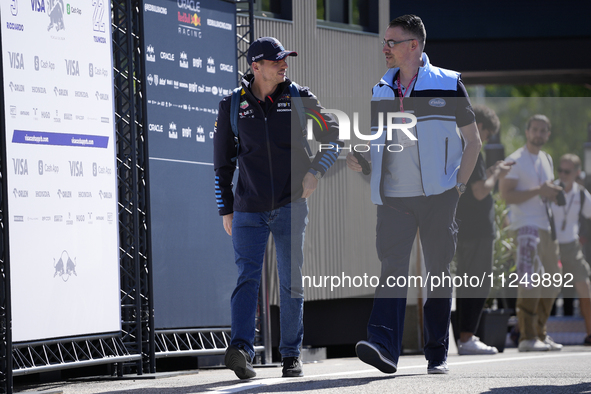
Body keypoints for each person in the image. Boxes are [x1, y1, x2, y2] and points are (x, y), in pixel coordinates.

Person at [346, 15, 481, 374]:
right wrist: (365, 160)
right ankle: (383, 346)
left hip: (439, 197)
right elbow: (381, 140)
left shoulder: (448, 83)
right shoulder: (381, 88)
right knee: (391, 271)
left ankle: (437, 351)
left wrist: (459, 188)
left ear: (414, 46)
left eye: (391, 41)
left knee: (437, 272)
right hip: (394, 199)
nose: (385, 48)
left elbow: (474, 142)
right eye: (384, 42)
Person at [213, 37, 341, 379]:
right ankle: (240, 350)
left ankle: (290, 355)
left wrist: (315, 172)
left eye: (285, 59)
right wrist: (226, 208)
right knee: (247, 278)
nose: (284, 65)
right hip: (247, 208)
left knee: (291, 281)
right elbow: (221, 165)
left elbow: (335, 137)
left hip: (291, 204)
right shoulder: (231, 106)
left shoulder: (299, 97)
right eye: (276, 61)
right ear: (256, 67)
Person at [499, 114, 563, 352]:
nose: (538, 134)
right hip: (525, 227)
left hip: (546, 227)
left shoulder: (546, 158)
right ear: (527, 132)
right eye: (534, 129)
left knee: (554, 280)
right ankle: (526, 337)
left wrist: (553, 193)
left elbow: (545, 191)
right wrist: (540, 190)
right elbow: (506, 194)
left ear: (548, 134)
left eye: (543, 130)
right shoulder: (516, 159)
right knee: (530, 281)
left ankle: (540, 332)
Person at [455, 105, 513, 355]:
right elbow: (480, 191)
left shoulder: (458, 147)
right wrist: (497, 173)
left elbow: (474, 182)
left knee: (466, 283)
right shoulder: (473, 147)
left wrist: (489, 172)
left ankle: (465, 337)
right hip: (477, 229)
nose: (485, 139)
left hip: (463, 227)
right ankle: (467, 338)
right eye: (487, 134)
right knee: (478, 283)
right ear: (479, 126)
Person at [550, 154, 591, 345]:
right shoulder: (550, 189)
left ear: (577, 173)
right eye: (560, 170)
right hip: (551, 244)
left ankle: (590, 333)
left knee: (585, 287)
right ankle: (533, 332)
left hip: (572, 246)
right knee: (545, 289)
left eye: (567, 171)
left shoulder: (581, 194)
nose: (562, 175)